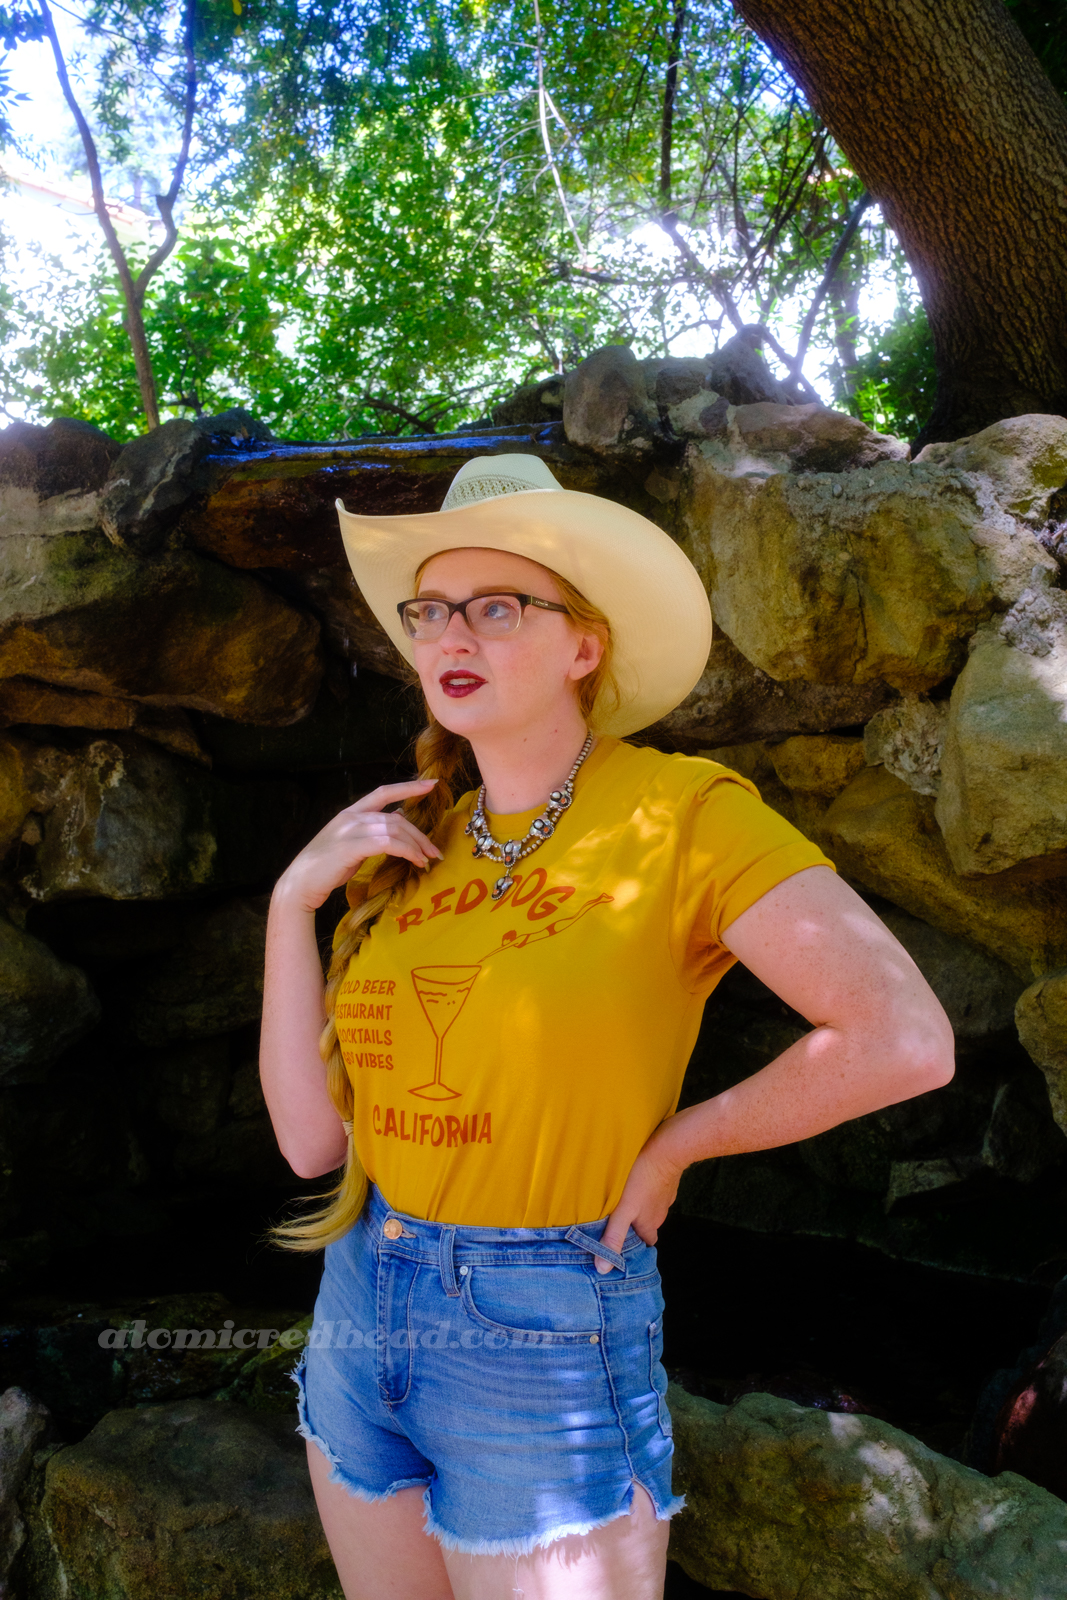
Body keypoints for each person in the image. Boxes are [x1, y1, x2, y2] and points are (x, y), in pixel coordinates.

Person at [260, 453, 954, 1600]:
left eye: (495, 607)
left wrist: (683, 1141)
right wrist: (292, 905)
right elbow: (308, 1145)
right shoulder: (414, 846)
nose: (449, 635)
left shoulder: (683, 814)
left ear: (584, 645)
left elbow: (902, 1036)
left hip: (544, 1325)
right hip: (359, 1307)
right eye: (430, 611)